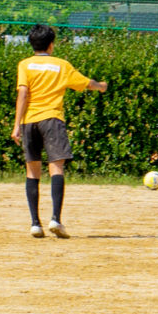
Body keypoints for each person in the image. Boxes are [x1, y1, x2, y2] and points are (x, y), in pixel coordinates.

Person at [12, 23, 106, 239]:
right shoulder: (61, 65)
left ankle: (35, 223)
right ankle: (55, 219)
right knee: (56, 168)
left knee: (32, 171)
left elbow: (23, 94)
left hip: (29, 121)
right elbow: (85, 83)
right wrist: (101, 86)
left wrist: (17, 125)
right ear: (51, 45)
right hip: (52, 119)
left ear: (31, 43)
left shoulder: (25, 64)